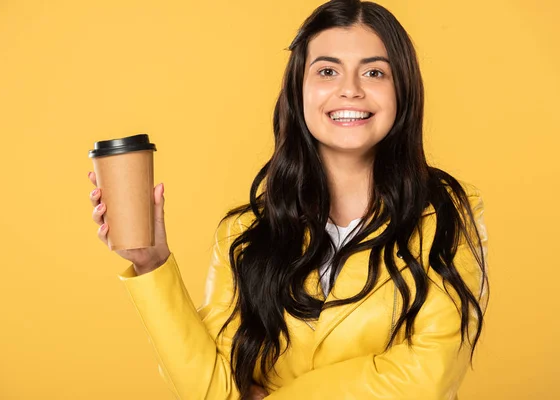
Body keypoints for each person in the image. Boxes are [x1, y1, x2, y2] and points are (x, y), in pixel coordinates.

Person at [87, 0, 489, 398]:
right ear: (299, 91)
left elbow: (427, 377)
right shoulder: (245, 232)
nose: (350, 89)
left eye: (374, 72)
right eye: (327, 71)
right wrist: (151, 262)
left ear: (402, 89)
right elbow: (212, 390)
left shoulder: (445, 213)